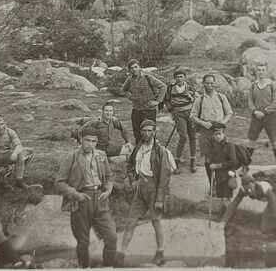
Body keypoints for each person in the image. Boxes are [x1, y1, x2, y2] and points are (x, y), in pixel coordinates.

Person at [54, 126, 119, 268]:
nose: (90, 144)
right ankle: (84, 267)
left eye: (94, 141)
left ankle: (108, 266)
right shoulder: (71, 156)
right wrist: (75, 194)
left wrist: (108, 190)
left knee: (112, 237)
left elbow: (109, 177)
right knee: (83, 241)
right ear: (80, 140)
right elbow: (59, 183)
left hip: (100, 199)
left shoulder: (101, 155)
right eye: (87, 140)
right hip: (81, 200)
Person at [119, 119, 176, 267]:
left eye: (150, 130)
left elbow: (164, 177)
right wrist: (132, 179)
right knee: (131, 221)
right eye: (144, 130)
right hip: (140, 189)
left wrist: (159, 198)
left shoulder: (161, 151)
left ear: (154, 132)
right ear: (140, 132)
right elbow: (130, 165)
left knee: (156, 221)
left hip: (154, 189)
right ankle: (121, 254)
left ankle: (160, 252)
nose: (146, 133)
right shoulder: (138, 148)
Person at [222, 170, 276, 240]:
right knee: (265, 228)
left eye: (250, 188)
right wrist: (223, 222)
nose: (249, 191)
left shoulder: (265, 188)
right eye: (247, 189)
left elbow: (275, 209)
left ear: (254, 183)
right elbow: (233, 204)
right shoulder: (243, 190)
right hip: (273, 202)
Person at [247, 62, 276, 175]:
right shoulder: (253, 85)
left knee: (274, 141)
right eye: (259, 70)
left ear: (266, 71)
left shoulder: (272, 85)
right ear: (256, 72)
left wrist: (264, 111)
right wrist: (255, 111)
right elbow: (250, 102)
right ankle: (246, 166)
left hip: (270, 117)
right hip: (256, 117)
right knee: (251, 140)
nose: (261, 72)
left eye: (263, 70)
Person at [200, 122, 250, 209]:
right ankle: (221, 215)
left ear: (223, 133)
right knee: (220, 198)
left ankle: (228, 217)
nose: (218, 136)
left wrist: (217, 165)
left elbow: (233, 162)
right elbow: (211, 158)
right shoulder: (212, 144)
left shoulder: (229, 145)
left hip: (228, 175)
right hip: (218, 176)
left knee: (227, 199)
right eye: (215, 134)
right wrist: (210, 162)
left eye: (220, 134)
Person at [120, 59, 167, 140]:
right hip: (136, 110)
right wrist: (129, 96)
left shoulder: (148, 77)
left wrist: (158, 101)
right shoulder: (130, 79)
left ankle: (151, 150)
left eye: (136, 67)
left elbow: (163, 86)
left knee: (149, 133)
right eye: (132, 68)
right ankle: (139, 151)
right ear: (129, 70)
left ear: (139, 67)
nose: (134, 69)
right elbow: (123, 90)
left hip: (149, 110)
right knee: (137, 133)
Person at [191, 74, 233, 158]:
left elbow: (229, 113)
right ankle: (209, 171)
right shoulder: (200, 99)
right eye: (207, 83)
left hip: (218, 130)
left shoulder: (221, 97)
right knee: (208, 158)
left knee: (221, 155)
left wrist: (222, 122)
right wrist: (203, 123)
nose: (210, 86)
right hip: (205, 130)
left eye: (211, 83)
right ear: (203, 84)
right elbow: (193, 116)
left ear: (215, 83)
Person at [164, 69, 198, 173]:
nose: (179, 79)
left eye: (181, 76)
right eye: (177, 77)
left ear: (185, 78)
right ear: (175, 78)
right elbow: (166, 100)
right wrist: (171, 110)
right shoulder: (170, 88)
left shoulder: (190, 87)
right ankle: (177, 161)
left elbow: (196, 100)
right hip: (178, 114)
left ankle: (193, 161)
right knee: (183, 136)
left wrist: (194, 106)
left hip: (190, 113)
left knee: (193, 137)